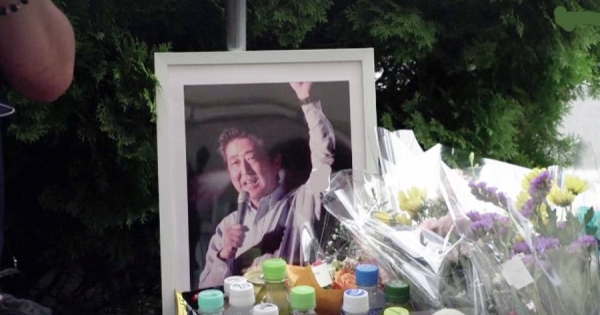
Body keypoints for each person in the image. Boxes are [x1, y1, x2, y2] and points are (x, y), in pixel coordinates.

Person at [198, 82, 335, 288]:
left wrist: (306, 101)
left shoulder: (303, 201)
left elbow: (323, 158)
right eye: (235, 162)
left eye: (251, 158)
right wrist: (224, 254)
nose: (244, 170)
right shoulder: (225, 229)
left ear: (275, 163)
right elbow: (205, 295)